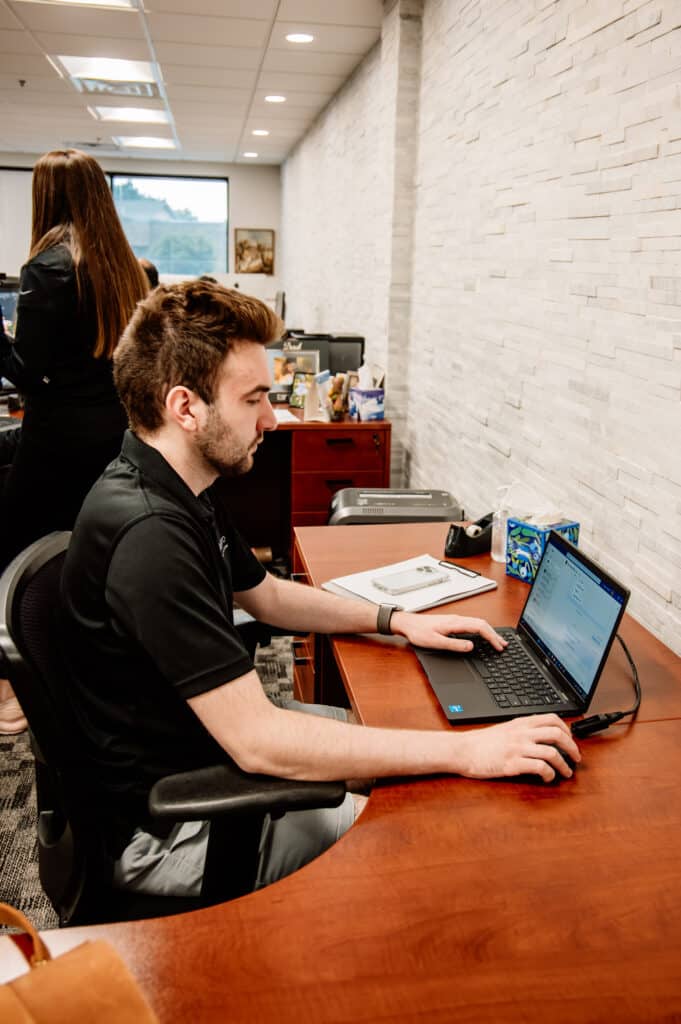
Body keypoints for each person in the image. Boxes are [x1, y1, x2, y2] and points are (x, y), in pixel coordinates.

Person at [59, 280, 580, 900]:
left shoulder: (176, 486)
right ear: (185, 406)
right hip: (177, 824)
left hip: (203, 745)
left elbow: (270, 596)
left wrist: (396, 619)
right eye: (253, 398)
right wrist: (466, 753)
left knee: (394, 744)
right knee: (429, 834)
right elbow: (259, 742)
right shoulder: (150, 537)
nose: (272, 418)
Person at [0, 149, 149, 571]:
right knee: (94, 559)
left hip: (56, 444)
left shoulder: (49, 267)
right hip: (114, 439)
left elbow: (26, 374)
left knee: (18, 559)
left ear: (46, 198)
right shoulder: (124, 269)